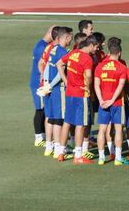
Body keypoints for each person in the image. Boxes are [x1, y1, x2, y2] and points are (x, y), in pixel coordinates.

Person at [56, 35, 98, 164]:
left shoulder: (73, 53)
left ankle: (61, 152)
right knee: (80, 124)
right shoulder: (87, 59)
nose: (96, 49)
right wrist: (88, 88)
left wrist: (66, 80)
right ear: (90, 45)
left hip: (70, 93)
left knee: (67, 122)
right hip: (81, 94)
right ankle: (78, 155)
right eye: (96, 47)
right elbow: (89, 76)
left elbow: (59, 64)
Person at [94, 41, 127, 166]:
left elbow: (96, 84)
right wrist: (112, 100)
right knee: (118, 130)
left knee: (102, 130)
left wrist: (101, 100)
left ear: (109, 52)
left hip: (103, 103)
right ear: (119, 53)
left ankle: (102, 157)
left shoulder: (100, 66)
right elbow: (121, 86)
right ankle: (118, 157)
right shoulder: (121, 67)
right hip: (117, 103)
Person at [43, 27, 72, 157]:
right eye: (70, 37)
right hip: (58, 89)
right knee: (59, 120)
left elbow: (47, 68)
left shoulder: (53, 49)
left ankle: (50, 147)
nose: (71, 39)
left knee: (52, 119)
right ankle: (59, 149)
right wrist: (51, 85)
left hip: (49, 88)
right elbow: (60, 74)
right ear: (66, 38)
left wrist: (45, 83)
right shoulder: (63, 52)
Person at [29, 25, 56, 147]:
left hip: (39, 82)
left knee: (44, 109)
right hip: (38, 83)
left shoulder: (41, 45)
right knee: (40, 109)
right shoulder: (42, 47)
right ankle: (39, 137)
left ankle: (44, 135)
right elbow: (42, 66)